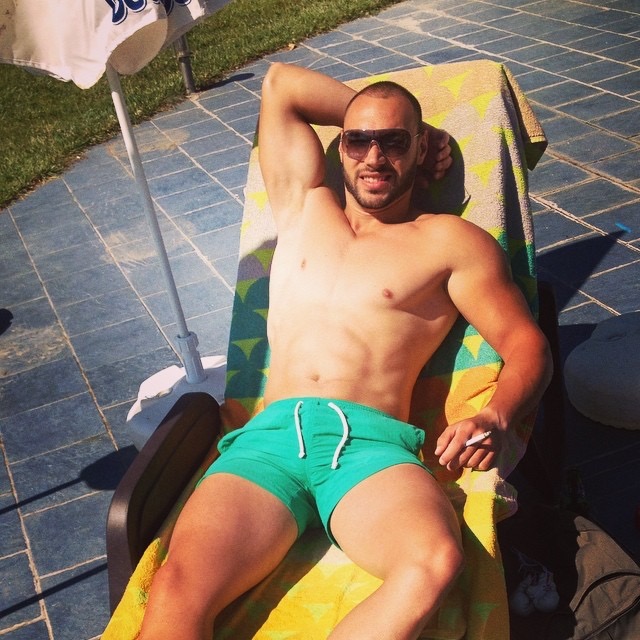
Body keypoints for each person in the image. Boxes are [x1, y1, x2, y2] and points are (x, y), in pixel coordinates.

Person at [138, 63, 552, 640]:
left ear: (418, 150)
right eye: (358, 140)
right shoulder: (303, 205)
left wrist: (497, 415)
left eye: (394, 142)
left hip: (369, 447)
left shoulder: (450, 241)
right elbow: (281, 85)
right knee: (177, 590)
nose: (374, 158)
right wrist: (385, 118)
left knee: (433, 562)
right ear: (341, 146)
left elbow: (527, 343)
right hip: (268, 441)